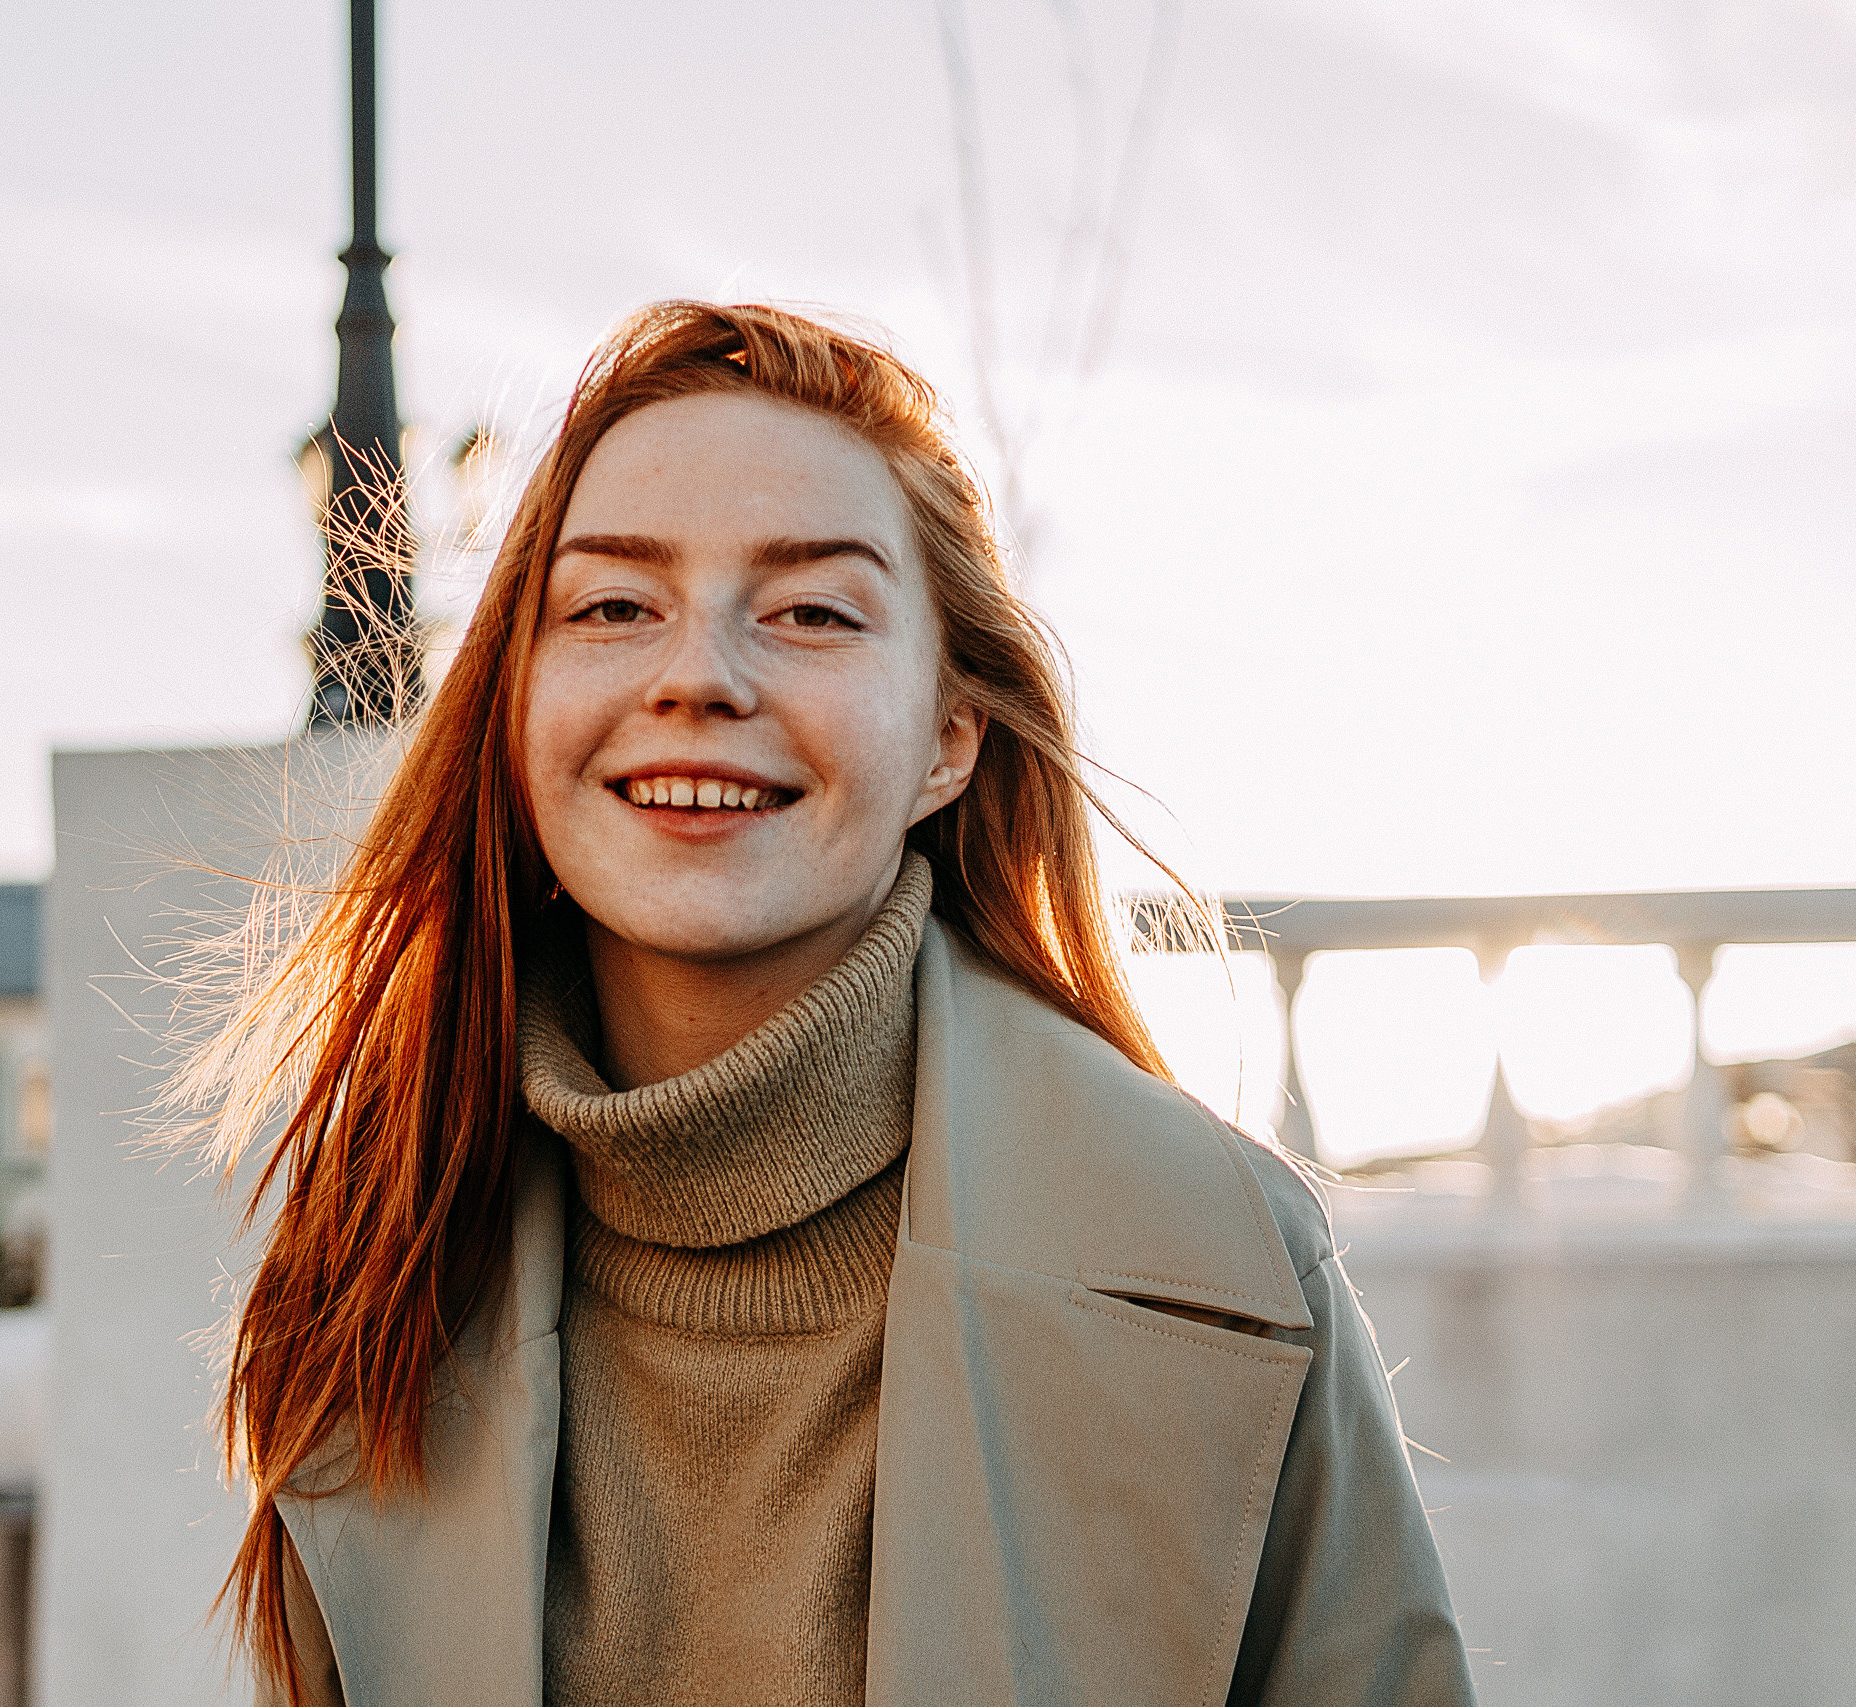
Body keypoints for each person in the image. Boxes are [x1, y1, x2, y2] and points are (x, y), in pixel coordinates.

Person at [199, 301, 1474, 1707]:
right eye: (615, 605)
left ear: (949, 736)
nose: (697, 677)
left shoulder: (1224, 1263)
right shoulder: (381, 1266)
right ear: (515, 707)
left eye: (811, 611)